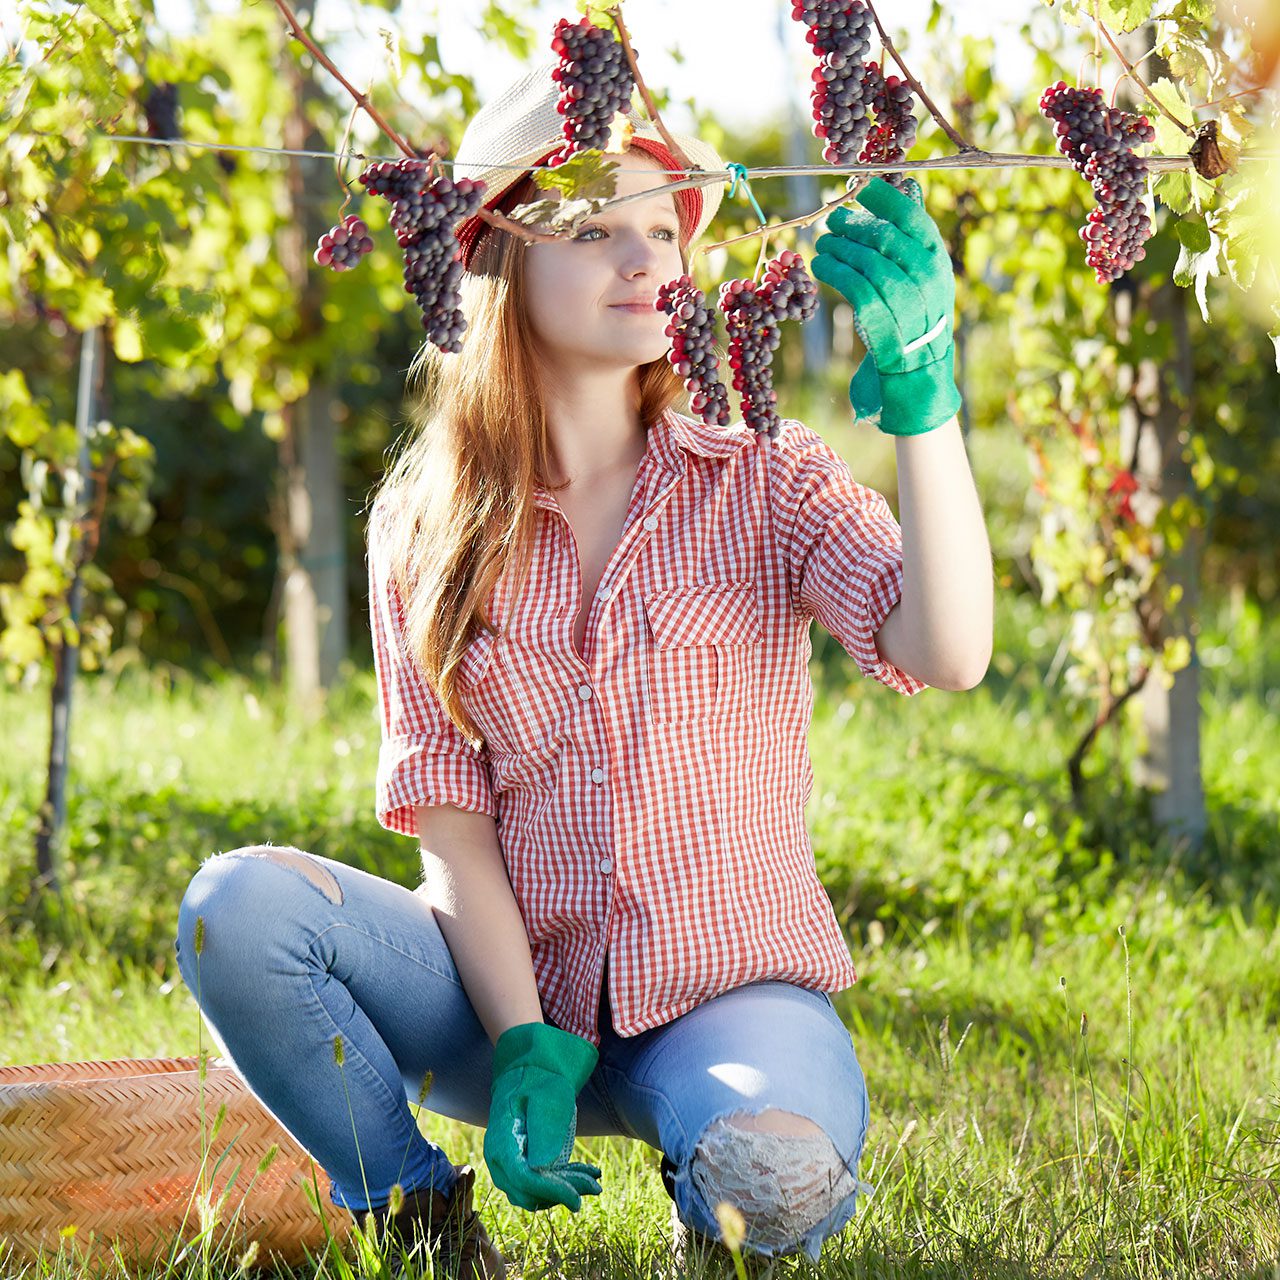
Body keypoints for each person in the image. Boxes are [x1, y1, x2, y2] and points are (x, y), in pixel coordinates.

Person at [174, 56, 992, 1280]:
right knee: (235, 913)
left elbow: (945, 647)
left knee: (769, 1186)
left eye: (662, 228)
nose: (646, 259)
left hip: (724, 996)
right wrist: (521, 1043)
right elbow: (451, 838)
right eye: (599, 226)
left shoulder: (761, 474)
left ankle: (704, 1170)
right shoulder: (424, 525)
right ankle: (422, 1224)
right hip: (503, 997)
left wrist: (926, 411)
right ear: (500, 252)